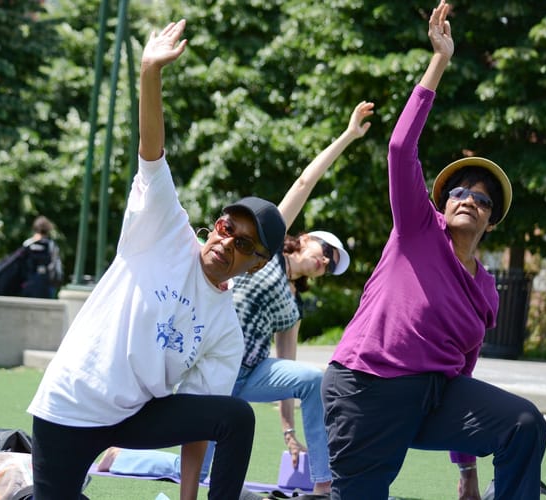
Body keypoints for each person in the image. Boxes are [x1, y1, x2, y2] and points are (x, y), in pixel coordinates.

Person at [27, 19, 287, 500]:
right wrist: (150, 72)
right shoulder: (163, 232)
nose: (231, 243)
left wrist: (188, 496)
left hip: (134, 415)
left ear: (256, 265)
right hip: (71, 405)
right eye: (230, 228)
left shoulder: (226, 331)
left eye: (247, 245)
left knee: (235, 416)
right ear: (217, 225)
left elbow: (201, 422)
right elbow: (152, 153)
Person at [321, 3, 546, 500]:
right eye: (460, 192)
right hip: (367, 389)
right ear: (443, 204)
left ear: (491, 219)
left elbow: (463, 370)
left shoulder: (486, 288)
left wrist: (465, 469)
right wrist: (439, 61)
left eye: (483, 199)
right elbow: (401, 149)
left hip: (433, 397)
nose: (470, 199)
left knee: (524, 423)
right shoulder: (418, 228)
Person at [100, 101, 375, 497]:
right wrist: (348, 136)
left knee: (315, 380)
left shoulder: (293, 306)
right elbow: (303, 184)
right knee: (198, 466)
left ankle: (323, 485)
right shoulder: (263, 251)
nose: (324, 262)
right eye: (325, 250)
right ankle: (122, 458)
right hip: (214, 366)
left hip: (252, 370)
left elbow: (288, 364)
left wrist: (288, 431)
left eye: (331, 265)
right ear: (306, 238)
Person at [21, 215, 63, 298]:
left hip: (29, 282)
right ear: (48, 230)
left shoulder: (27, 244)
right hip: (47, 283)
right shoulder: (52, 245)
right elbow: (56, 266)